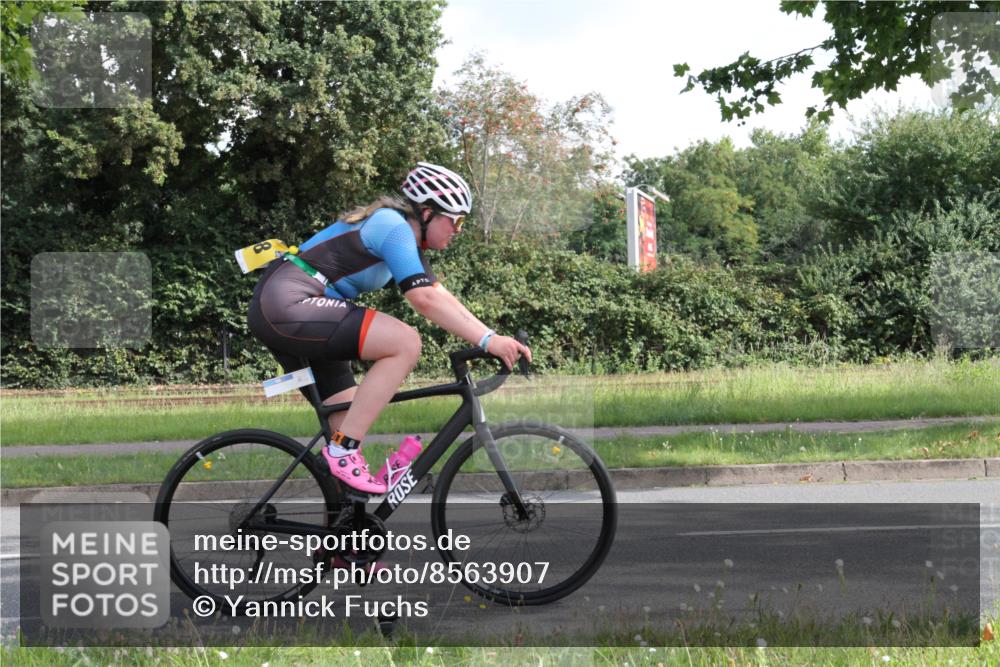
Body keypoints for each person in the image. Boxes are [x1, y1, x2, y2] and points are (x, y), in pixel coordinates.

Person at [247, 162, 531, 494]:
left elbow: (439, 295)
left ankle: (345, 519)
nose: (458, 230)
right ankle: (342, 452)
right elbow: (423, 299)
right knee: (405, 342)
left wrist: (492, 337)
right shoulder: (392, 227)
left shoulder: (407, 238)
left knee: (348, 421)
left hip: (302, 311)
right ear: (428, 213)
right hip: (289, 302)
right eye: (456, 220)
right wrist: (487, 340)